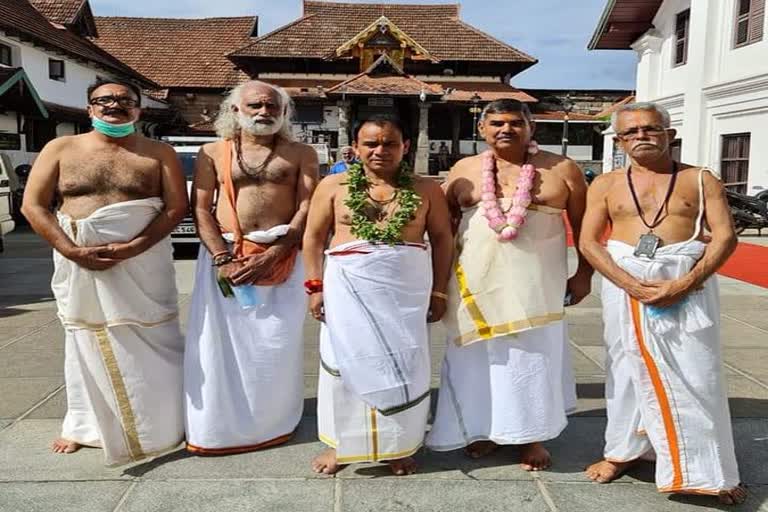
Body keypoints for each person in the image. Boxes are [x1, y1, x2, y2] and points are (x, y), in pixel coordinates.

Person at [580, 102, 746, 505]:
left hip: (685, 284)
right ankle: (622, 451)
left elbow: (725, 237)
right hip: (625, 287)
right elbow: (588, 241)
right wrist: (627, 284)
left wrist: (686, 283)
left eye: (651, 129)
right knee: (624, 369)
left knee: (697, 373)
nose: (642, 136)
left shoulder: (700, 179)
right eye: (631, 132)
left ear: (669, 135)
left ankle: (709, 470)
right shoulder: (605, 184)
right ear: (619, 141)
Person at [21, 78, 188, 465]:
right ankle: (83, 426)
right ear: (90, 108)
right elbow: (35, 206)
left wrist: (136, 246)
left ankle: (163, 422)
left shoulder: (159, 152)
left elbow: (175, 208)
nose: (115, 105)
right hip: (78, 258)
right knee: (84, 340)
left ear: (138, 110)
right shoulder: (60, 148)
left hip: (143, 264)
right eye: (104, 100)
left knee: (156, 334)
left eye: (125, 100)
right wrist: (70, 249)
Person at [426, 99, 592, 471]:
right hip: (474, 280)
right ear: (482, 129)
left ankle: (531, 436)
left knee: (532, 356)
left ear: (530, 128)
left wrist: (584, 273)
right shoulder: (464, 169)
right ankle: (481, 429)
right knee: (477, 360)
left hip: (538, 284)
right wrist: (436, 284)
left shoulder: (562, 168)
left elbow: (585, 226)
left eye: (516, 123)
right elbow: (442, 227)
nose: (506, 129)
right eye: (497, 122)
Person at [303, 115, 453, 476]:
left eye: (389, 143)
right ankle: (342, 445)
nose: (380, 150)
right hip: (347, 289)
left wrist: (439, 291)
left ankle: (397, 445)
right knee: (344, 363)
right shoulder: (333, 185)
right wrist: (314, 286)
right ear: (355, 148)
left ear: (405, 147)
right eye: (371, 143)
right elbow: (312, 237)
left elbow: (444, 239)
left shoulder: (426, 188)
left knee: (403, 365)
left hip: (405, 292)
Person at [183, 80, 318, 455]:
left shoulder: (301, 153)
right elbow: (200, 209)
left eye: (273, 107)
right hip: (226, 259)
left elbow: (308, 206)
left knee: (277, 344)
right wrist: (222, 258)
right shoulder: (212, 152)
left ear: (284, 113)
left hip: (282, 257)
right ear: (235, 111)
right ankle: (218, 430)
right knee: (218, 348)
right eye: (256, 105)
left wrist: (276, 251)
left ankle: (273, 424)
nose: (264, 112)